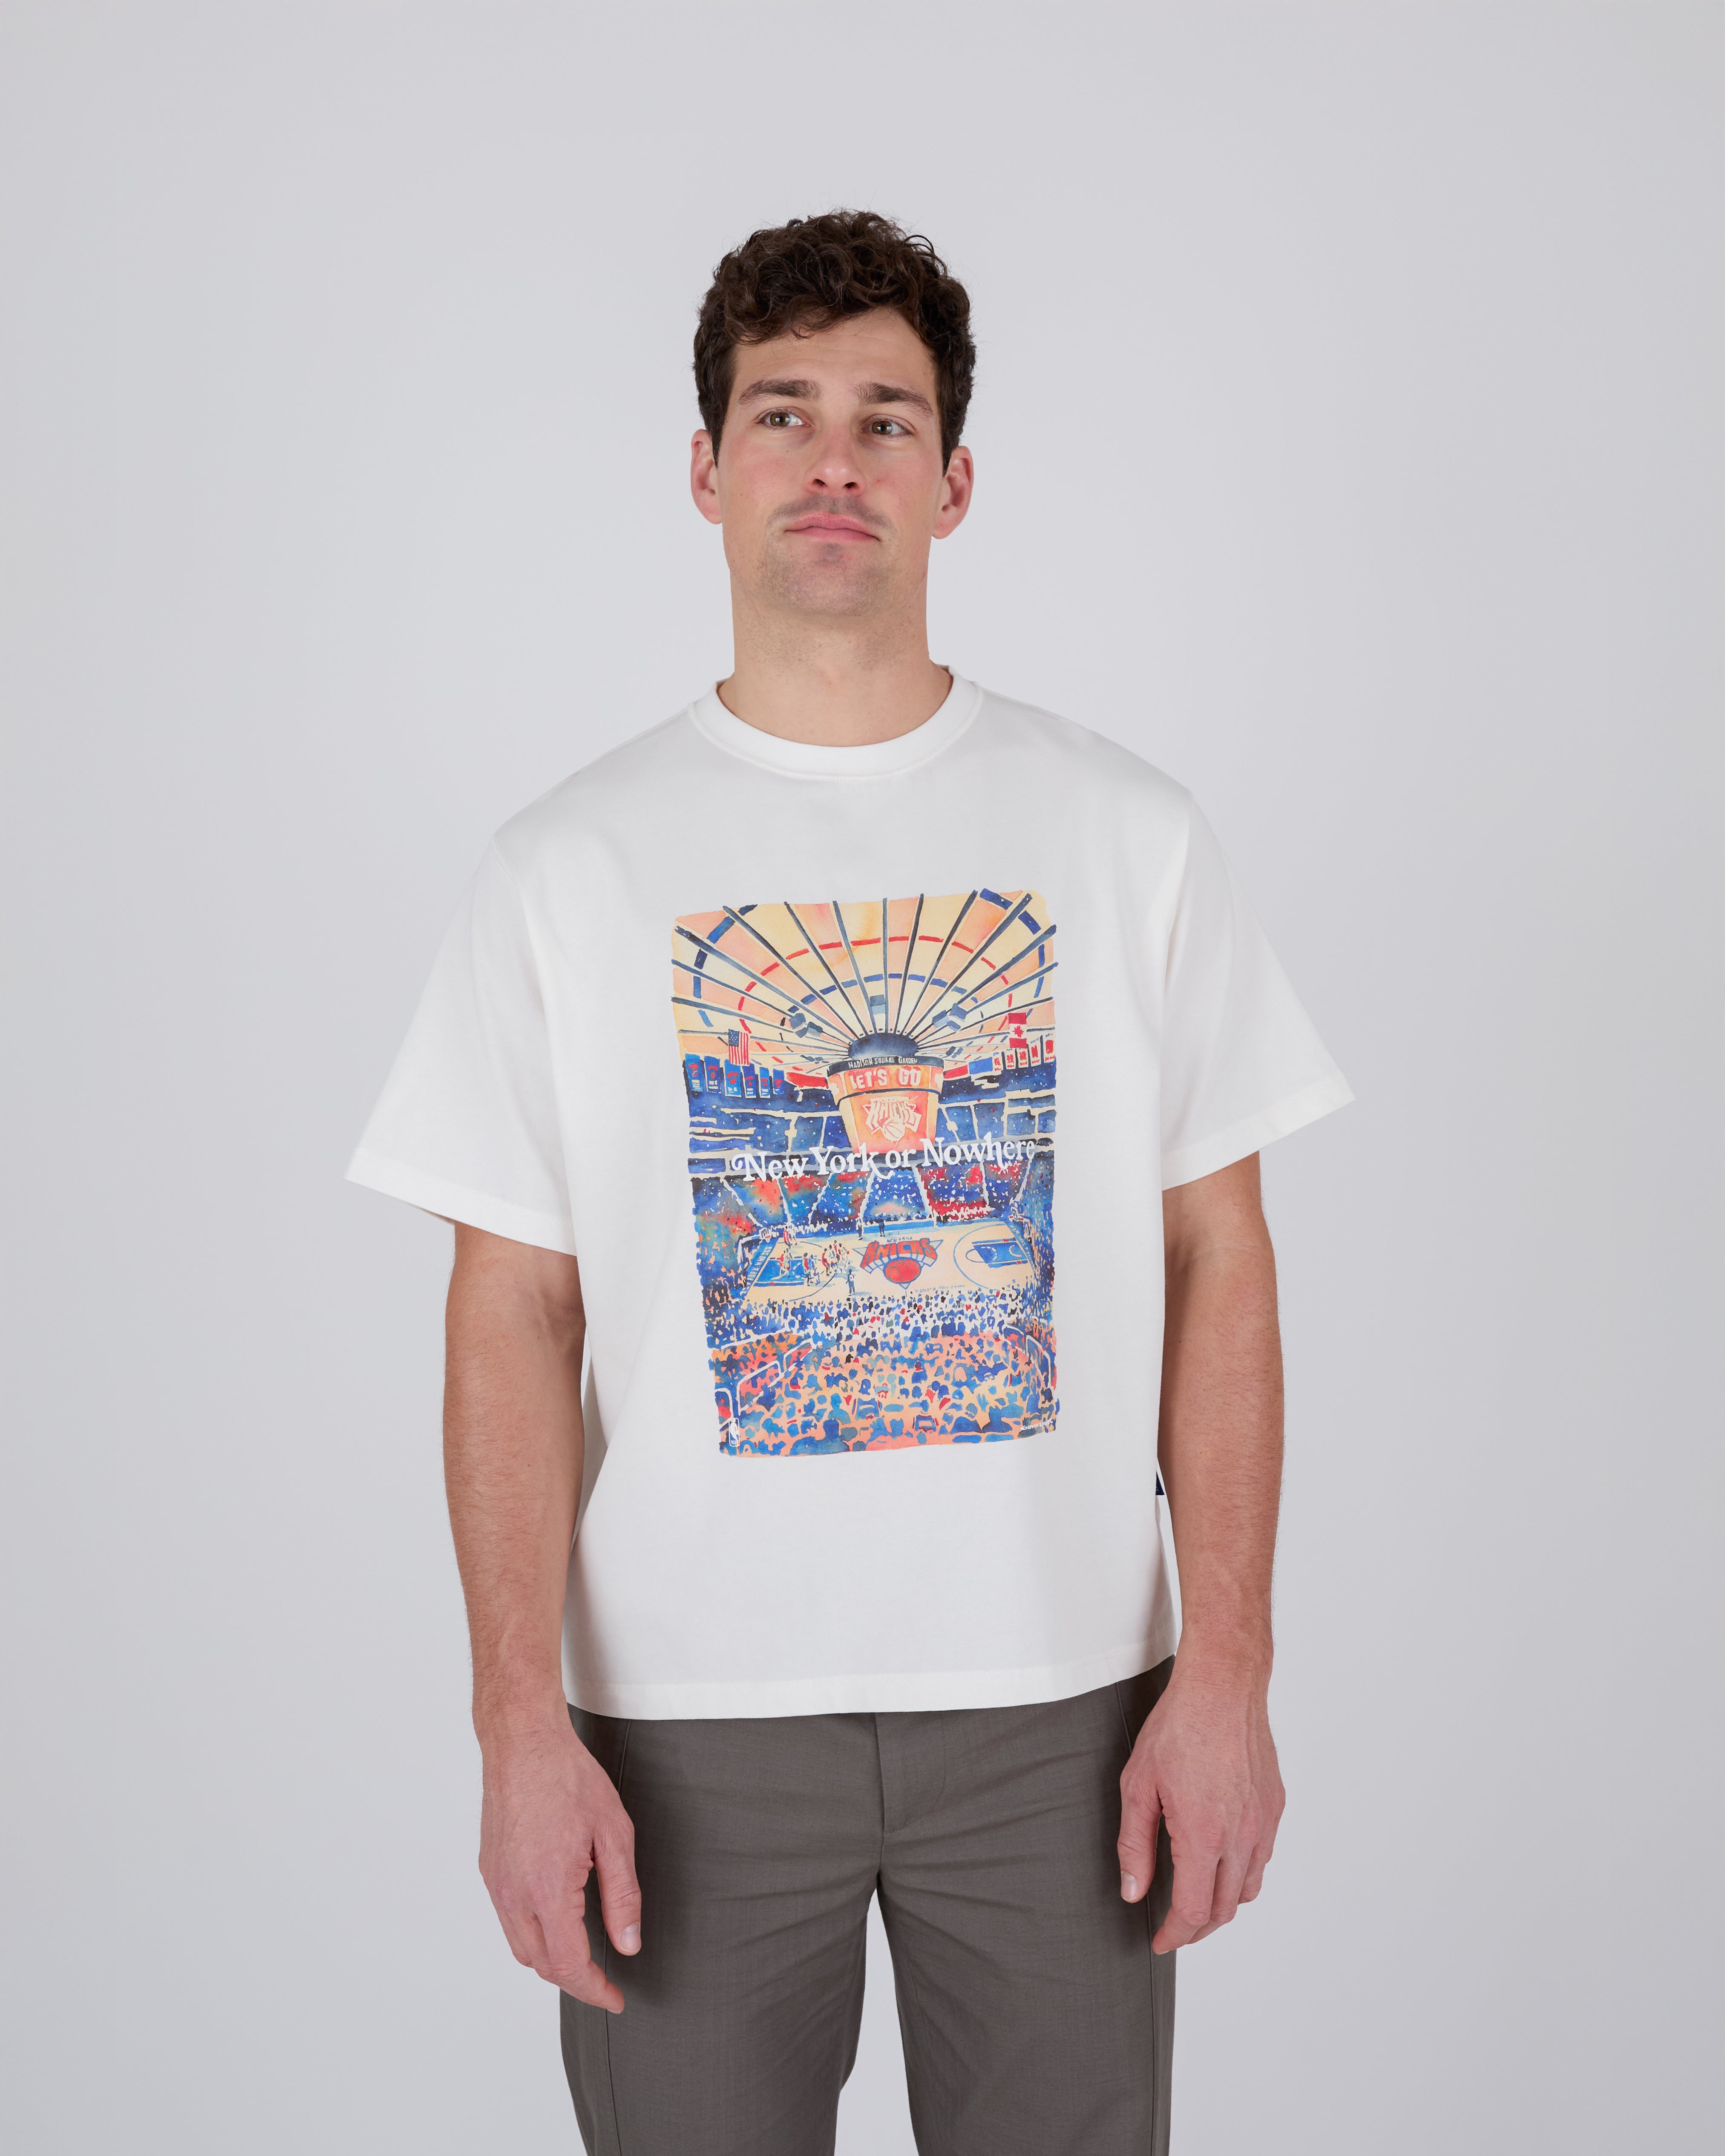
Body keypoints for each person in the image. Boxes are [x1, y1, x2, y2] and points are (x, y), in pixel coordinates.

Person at [349, 209, 1351, 2155]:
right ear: (705, 470)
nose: (833, 461)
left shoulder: (1125, 832)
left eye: (886, 421)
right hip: (679, 1729)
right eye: (782, 413)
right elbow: (512, 1309)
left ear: (953, 482)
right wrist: (514, 1723)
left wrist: (1225, 1667)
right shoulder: (565, 867)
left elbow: (1218, 1259)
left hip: (1067, 1706)